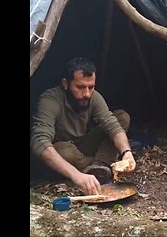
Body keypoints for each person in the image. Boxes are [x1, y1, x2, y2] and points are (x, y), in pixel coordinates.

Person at [30, 57, 136, 195]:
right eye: (80, 87)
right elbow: (39, 142)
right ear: (65, 84)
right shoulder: (50, 100)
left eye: (91, 87)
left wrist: (126, 152)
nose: (86, 93)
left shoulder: (93, 97)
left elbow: (112, 124)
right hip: (62, 151)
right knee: (64, 150)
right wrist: (76, 175)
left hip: (83, 144)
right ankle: (95, 169)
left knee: (122, 116)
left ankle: (100, 166)